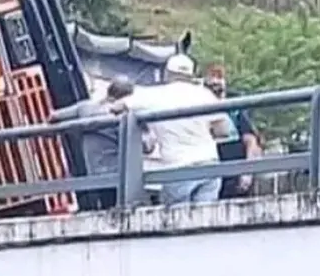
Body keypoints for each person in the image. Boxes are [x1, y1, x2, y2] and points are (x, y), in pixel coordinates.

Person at [119, 54, 233, 205]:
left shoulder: (153, 95)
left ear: (167, 73)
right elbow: (223, 130)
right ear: (191, 75)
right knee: (205, 220)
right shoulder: (204, 94)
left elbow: (119, 106)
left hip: (177, 166)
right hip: (209, 164)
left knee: (177, 222)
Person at [50, 79, 140, 210]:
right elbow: (146, 146)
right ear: (126, 97)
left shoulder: (84, 108)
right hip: (119, 173)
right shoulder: (123, 116)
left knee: (105, 205)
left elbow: (53, 116)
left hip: (93, 171)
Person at [204, 65, 263, 198]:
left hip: (235, 173)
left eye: (218, 82)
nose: (214, 87)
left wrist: (247, 172)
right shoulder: (200, 108)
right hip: (210, 173)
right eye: (210, 84)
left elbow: (251, 141)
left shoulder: (235, 108)